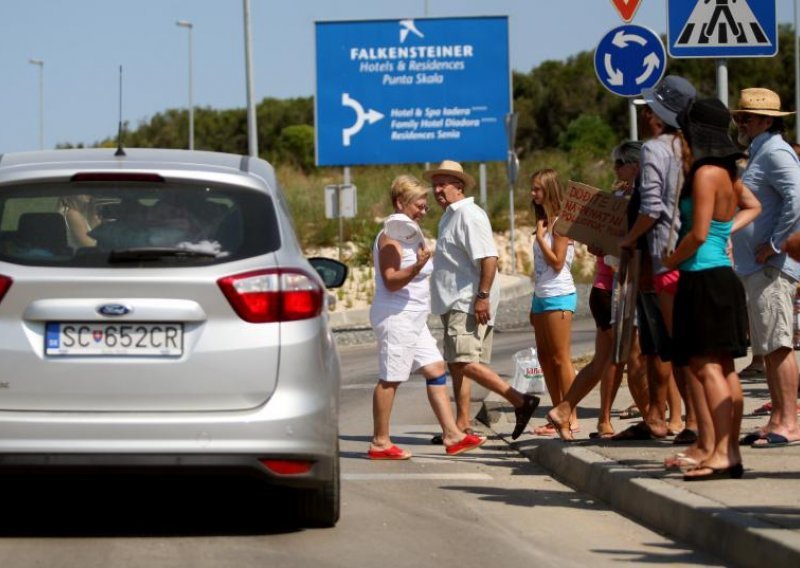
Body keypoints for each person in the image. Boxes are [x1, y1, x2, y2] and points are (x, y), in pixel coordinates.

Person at [662, 97, 761, 480]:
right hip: (723, 275)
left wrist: (671, 260)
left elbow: (698, 234)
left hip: (702, 277)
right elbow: (750, 207)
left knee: (706, 368)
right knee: (724, 369)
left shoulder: (705, 173)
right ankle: (728, 452)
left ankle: (722, 452)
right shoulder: (728, 172)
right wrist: (727, 232)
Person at [367, 174, 486, 460]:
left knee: (435, 370)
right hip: (397, 316)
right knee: (391, 378)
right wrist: (418, 266)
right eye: (419, 206)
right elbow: (392, 280)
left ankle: (452, 434)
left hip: (414, 318)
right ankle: (380, 442)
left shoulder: (406, 235)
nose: (423, 211)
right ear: (400, 202)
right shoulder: (391, 238)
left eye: (425, 206)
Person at [425, 160, 540, 441]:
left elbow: (489, 258)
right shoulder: (450, 215)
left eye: (443, 184)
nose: (437, 190)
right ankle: (462, 424)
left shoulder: (469, 215)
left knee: (463, 362)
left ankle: (519, 400)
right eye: (435, 185)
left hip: (467, 300)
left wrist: (482, 297)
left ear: (459, 186)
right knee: (458, 363)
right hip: (455, 300)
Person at [547, 142, 649, 440]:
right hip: (617, 288)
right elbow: (607, 247)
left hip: (612, 287)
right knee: (634, 359)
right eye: (616, 164)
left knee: (607, 361)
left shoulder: (630, 197)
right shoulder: (623, 199)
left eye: (619, 163)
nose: (615, 169)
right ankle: (652, 419)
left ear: (633, 165)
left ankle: (564, 409)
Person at [618, 75, 697, 443]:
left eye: (652, 108)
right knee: (691, 346)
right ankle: (693, 420)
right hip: (695, 255)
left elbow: (651, 208)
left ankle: (682, 421)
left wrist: (628, 240)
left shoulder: (655, 150)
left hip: (663, 258)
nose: (647, 113)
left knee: (670, 345)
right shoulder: (691, 147)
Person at [731, 87, 800, 448]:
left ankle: (789, 422)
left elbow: (798, 197)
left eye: (747, 117)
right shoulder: (760, 152)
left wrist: (774, 243)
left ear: (766, 121)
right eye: (740, 117)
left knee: (778, 344)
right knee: (768, 345)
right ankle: (777, 419)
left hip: (773, 265)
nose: (741, 123)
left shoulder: (775, 152)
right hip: (758, 266)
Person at [527, 169, 578, 438]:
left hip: (559, 295)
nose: (533, 194)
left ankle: (569, 415)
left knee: (561, 358)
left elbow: (557, 263)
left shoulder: (560, 224)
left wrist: (539, 239)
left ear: (549, 190)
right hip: (542, 296)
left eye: (537, 189)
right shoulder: (545, 222)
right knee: (546, 359)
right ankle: (557, 411)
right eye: (532, 189)